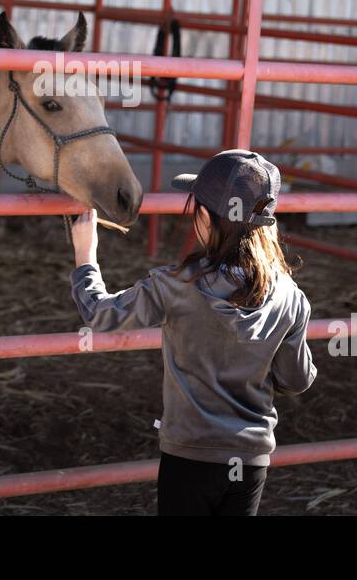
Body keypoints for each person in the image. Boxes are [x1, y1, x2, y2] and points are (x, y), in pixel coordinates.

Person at [67, 149, 316, 516]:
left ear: (202, 215)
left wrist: (85, 257)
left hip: (190, 454)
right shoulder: (291, 297)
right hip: (250, 459)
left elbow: (102, 315)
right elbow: (296, 379)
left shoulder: (177, 285)